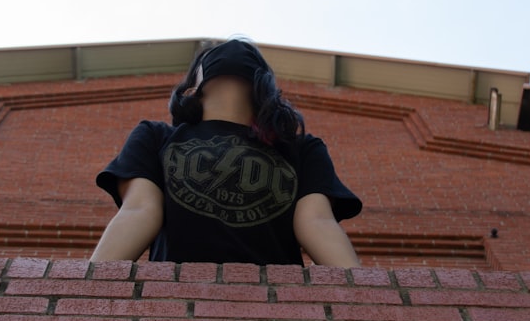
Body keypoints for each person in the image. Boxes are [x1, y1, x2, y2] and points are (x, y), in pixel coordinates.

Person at [93, 38, 362, 266]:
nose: (234, 48)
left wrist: (370, 304)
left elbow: (317, 222)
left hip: (275, 311)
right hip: (170, 307)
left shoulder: (302, 149)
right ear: (192, 88)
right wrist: (83, 291)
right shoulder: (155, 136)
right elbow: (139, 210)